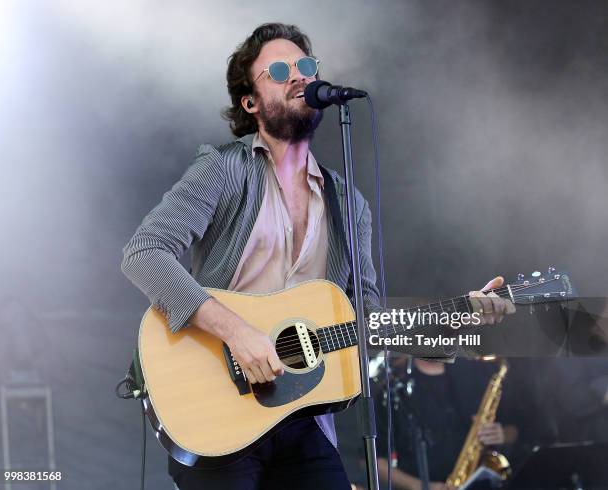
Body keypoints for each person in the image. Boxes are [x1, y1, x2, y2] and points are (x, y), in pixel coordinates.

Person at [121, 22, 514, 490]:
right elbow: (144, 252)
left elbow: (369, 322)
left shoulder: (349, 205)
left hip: (302, 418)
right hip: (216, 407)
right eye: (281, 70)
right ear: (250, 102)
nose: (300, 77)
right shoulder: (222, 170)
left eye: (306, 66)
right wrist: (240, 334)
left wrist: (460, 318)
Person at [374, 357, 518, 490]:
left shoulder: (476, 370)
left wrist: (502, 434)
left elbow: (515, 427)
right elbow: (373, 460)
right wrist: (423, 487)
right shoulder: (391, 385)